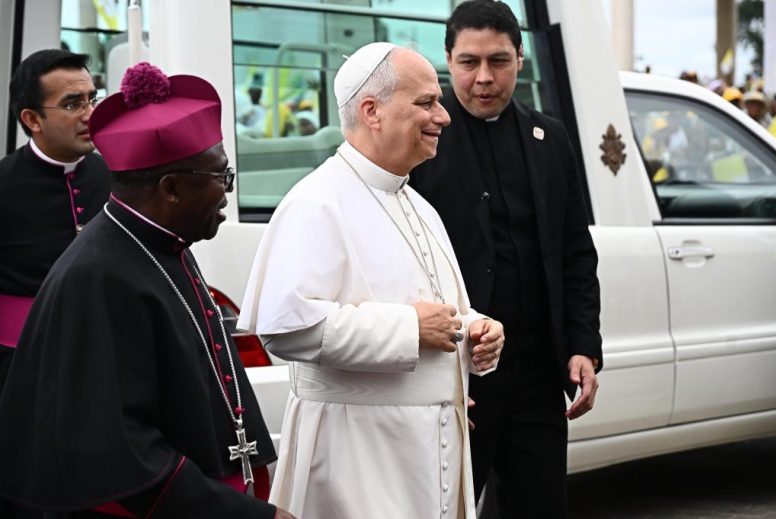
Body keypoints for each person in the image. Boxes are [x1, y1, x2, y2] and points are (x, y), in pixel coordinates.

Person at [0, 62, 294, 519]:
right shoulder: (100, 277)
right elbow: (121, 453)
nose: (226, 195)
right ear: (171, 188)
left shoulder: (163, 242)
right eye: (221, 178)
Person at [238, 42, 505, 519]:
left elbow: (438, 314)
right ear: (371, 111)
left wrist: (476, 331)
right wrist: (408, 328)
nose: (444, 116)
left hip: (427, 446)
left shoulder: (420, 206)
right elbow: (287, 327)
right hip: (355, 454)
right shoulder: (317, 202)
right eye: (426, 102)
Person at [410, 2, 602, 517]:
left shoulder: (550, 137)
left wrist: (584, 347)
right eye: (469, 62)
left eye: (498, 61)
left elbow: (575, 253)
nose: (484, 78)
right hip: (459, 376)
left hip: (538, 375)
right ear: (447, 60)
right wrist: (433, 376)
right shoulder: (420, 141)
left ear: (520, 58)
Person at [0, 49, 110, 384]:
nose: (90, 115)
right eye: (73, 105)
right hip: (17, 364)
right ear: (32, 119)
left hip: (103, 354)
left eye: (92, 99)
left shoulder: (115, 176)